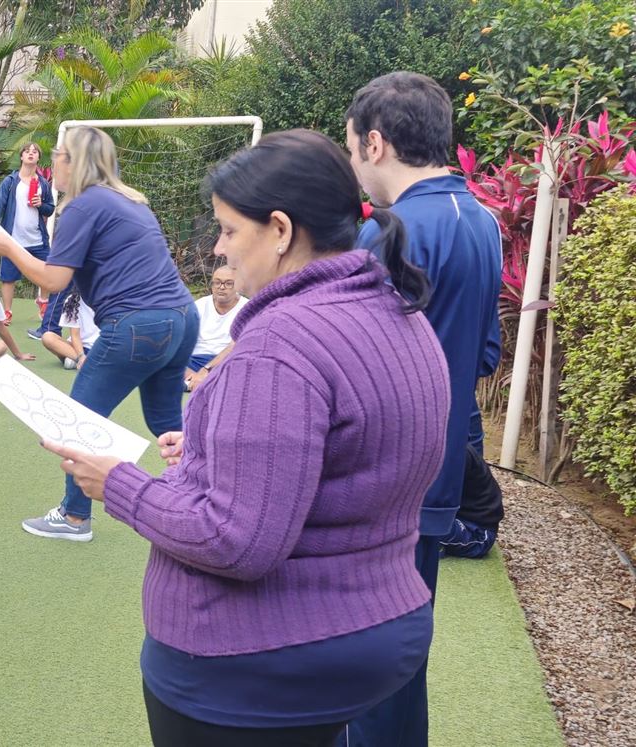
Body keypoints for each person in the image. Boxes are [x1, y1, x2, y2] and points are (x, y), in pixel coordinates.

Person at [42, 129, 447, 745]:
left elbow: (235, 540)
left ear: (280, 230)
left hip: (256, 660)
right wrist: (203, 453)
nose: (219, 249)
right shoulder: (399, 313)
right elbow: (348, 460)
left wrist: (117, 485)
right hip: (378, 627)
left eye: (230, 230)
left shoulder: (279, 347)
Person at [343, 71, 505, 747]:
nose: (352, 162)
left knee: (366, 661)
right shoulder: (485, 221)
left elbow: (344, 364)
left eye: (351, 148)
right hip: (437, 476)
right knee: (403, 652)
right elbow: (486, 354)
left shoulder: (394, 233)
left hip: (383, 480)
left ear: (375, 143)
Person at [0, 125, 198, 542]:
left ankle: (75, 518)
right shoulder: (132, 201)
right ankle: (205, 489)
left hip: (138, 324)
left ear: (74, 162)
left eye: (58, 156)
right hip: (182, 318)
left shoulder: (81, 206)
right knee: (167, 421)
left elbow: (55, 280)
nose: (52, 164)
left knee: (76, 422)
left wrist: (9, 248)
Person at [0, 142, 56, 323]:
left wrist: (40, 205)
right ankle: (7, 312)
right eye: (27, 151)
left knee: (47, 272)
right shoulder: (10, 182)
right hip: (13, 240)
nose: (31, 154)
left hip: (37, 239)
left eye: (35, 152)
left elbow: (50, 209)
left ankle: (43, 302)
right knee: (8, 278)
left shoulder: (43, 183)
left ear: (38, 158)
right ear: (21, 156)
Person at [183, 265, 248, 390]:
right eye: (217, 282)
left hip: (226, 362)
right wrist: (191, 374)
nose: (221, 287)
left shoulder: (247, 308)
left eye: (228, 283)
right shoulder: (198, 306)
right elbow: (181, 343)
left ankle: (202, 384)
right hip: (194, 361)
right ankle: (204, 384)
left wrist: (207, 370)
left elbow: (236, 345)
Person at [439, 445, 503, 559]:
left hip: (477, 533)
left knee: (418, 524)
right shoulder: (451, 446)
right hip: (456, 518)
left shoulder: (456, 454)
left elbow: (435, 502)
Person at [39, 294, 99, 370]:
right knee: (47, 337)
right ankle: (82, 361)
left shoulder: (108, 299)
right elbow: (75, 335)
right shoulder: (72, 300)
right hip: (76, 348)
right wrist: (81, 356)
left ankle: (76, 360)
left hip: (99, 347)